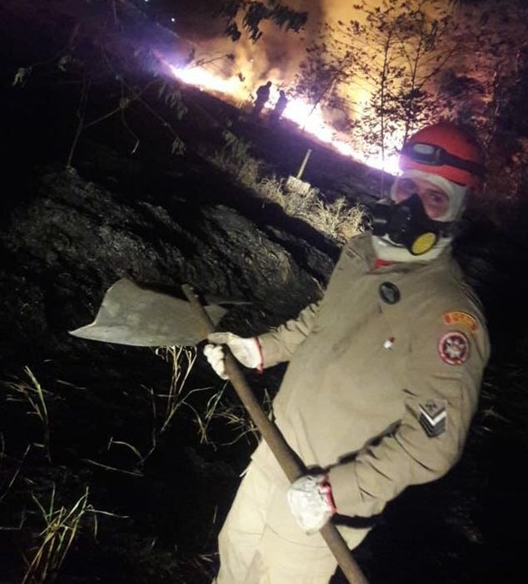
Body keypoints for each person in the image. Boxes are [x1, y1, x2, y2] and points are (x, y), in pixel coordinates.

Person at [203, 122, 491, 583]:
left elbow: (433, 442)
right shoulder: (363, 250)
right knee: (233, 558)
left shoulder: (448, 313)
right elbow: (324, 316)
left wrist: (335, 491)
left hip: (322, 509)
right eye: (405, 186)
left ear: (456, 211)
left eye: (433, 197)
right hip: (276, 453)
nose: (411, 204)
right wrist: (260, 350)